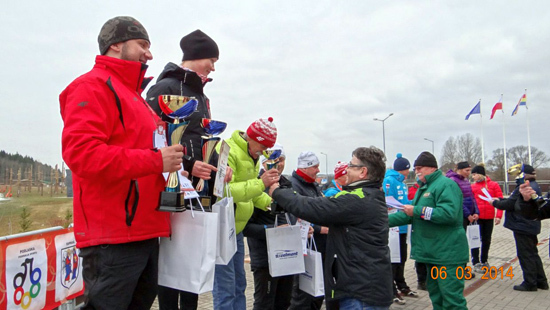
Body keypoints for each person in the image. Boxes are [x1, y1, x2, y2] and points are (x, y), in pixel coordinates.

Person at [60, 16, 185, 309]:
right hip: (113, 235)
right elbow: (82, 154)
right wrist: (156, 161)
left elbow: (155, 156)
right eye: (142, 44)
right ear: (116, 45)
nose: (149, 54)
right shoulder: (90, 87)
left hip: (145, 228)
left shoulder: (135, 97)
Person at [145, 29, 222, 310]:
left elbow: (199, 138)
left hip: (197, 188)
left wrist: (214, 165)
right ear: (196, 57)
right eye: (211, 60)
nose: (213, 67)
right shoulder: (163, 88)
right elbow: (153, 137)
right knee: (172, 261)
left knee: (192, 257)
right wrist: (187, 165)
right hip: (172, 185)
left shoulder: (200, 95)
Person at [269, 146, 393, 310]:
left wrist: (277, 192)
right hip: (365, 286)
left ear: (363, 172)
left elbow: (313, 208)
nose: (346, 170)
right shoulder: (368, 195)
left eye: (351, 165)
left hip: (361, 294)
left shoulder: (358, 198)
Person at [214, 117, 280, 310]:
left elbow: (251, 195)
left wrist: (273, 203)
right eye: (262, 146)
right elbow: (224, 191)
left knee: (239, 285)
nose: (263, 151)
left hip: (237, 229)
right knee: (225, 288)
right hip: (222, 230)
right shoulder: (227, 151)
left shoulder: (252, 156)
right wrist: (262, 183)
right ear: (251, 137)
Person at [389, 152, 469, 310]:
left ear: (432, 168)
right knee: (437, 296)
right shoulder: (424, 188)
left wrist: (417, 210)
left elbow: (449, 214)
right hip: (432, 256)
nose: (417, 171)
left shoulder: (446, 185)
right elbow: (410, 215)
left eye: (420, 168)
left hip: (448, 256)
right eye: (415, 168)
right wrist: (379, 222)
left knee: (452, 299)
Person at [243, 144, 294, 310]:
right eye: (273, 160)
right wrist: (272, 231)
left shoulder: (287, 184)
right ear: (263, 163)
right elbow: (246, 227)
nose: (278, 164)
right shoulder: (256, 185)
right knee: (265, 303)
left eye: (281, 160)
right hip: (265, 259)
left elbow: (292, 214)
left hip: (288, 255)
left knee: (284, 302)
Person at [287, 151, 332, 310]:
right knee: (303, 294)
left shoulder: (312, 184)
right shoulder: (294, 185)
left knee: (317, 291)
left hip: (319, 247)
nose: (318, 170)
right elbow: (298, 216)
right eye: (315, 167)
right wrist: (321, 229)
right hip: (306, 247)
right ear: (305, 168)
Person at [492, 164, 548, 291]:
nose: (516, 177)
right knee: (533, 253)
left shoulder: (524, 187)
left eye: (518, 174)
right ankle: (541, 281)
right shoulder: (534, 185)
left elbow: (510, 204)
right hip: (530, 225)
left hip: (523, 225)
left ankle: (530, 283)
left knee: (525, 255)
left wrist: (495, 202)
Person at [383, 153, 418, 305]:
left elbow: (404, 201)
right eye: (407, 168)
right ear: (402, 169)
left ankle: (401, 284)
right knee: (393, 259)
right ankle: (390, 290)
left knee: (402, 258)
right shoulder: (389, 180)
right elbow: (385, 200)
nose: (408, 171)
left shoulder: (403, 183)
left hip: (403, 226)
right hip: (393, 227)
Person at [470, 164, 503, 273]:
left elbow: (500, 201)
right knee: (475, 239)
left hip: (489, 217)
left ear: (480, 174)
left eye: (474, 174)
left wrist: (498, 216)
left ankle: (484, 261)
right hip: (477, 218)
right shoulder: (473, 187)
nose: (473, 177)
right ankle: (475, 262)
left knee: (486, 240)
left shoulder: (493, 185)